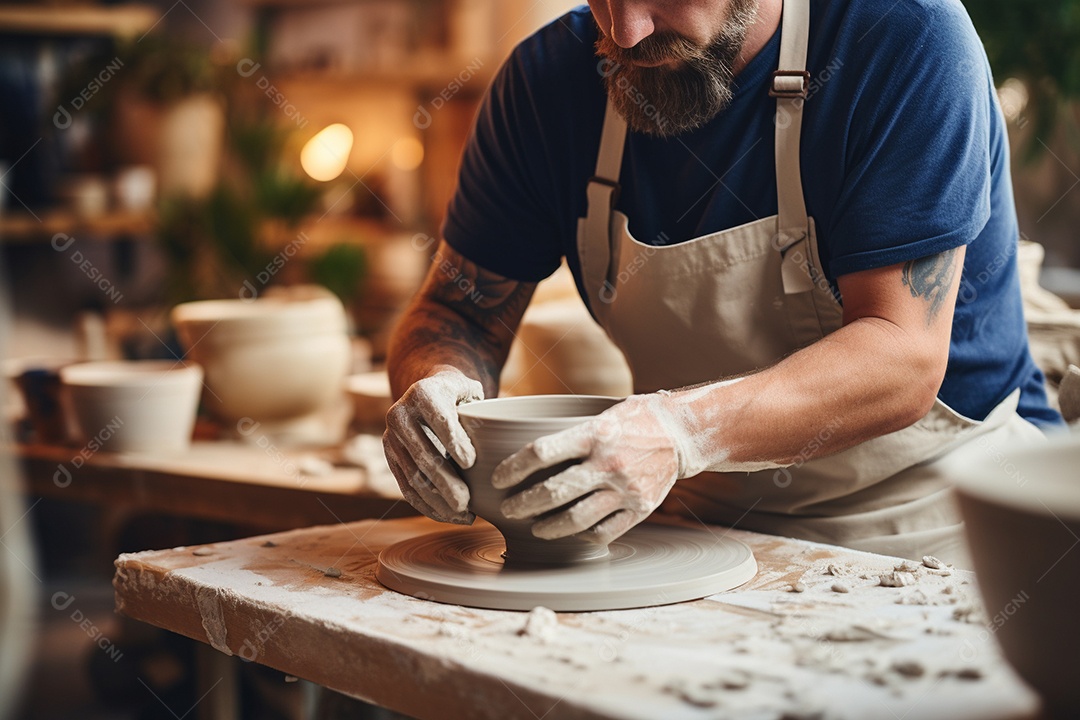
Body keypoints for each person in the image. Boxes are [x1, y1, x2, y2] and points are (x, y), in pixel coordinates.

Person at [383, 0, 1063, 565]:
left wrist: (682, 433)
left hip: (937, 521)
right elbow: (458, 315)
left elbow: (901, 356)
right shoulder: (546, 83)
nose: (627, 33)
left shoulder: (900, 35)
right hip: (693, 523)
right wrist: (435, 387)